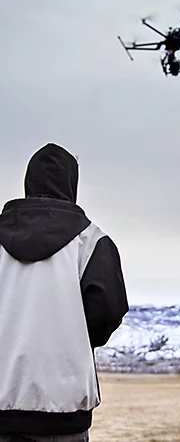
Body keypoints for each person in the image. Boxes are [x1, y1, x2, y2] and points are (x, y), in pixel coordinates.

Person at [0, 143, 129, 441]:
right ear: (72, 185)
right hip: (64, 411)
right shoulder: (92, 241)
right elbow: (108, 310)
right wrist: (71, 339)